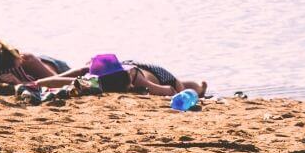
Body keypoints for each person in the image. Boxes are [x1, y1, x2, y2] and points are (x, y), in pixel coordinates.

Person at [35, 58, 207, 97]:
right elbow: (68, 79)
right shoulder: (98, 79)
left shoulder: (137, 78)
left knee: (181, 86)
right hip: (118, 66)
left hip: (157, 74)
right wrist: (36, 83)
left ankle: (199, 88)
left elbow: (169, 89)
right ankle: (197, 85)